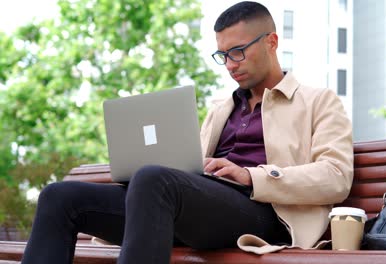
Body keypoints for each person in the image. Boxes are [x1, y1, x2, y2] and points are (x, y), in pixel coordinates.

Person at [21, 1, 353, 263]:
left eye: (237, 52)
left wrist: (252, 176)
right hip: (192, 210)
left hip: (265, 215)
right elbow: (184, 176)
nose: (230, 64)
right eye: (222, 55)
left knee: (154, 180)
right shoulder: (221, 107)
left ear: (272, 42)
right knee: (60, 196)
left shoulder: (318, 101)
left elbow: (336, 176)